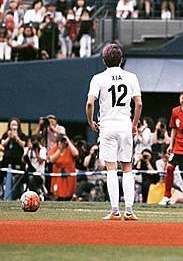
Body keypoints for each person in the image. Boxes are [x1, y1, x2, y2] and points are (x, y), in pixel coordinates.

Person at [86, 43, 142, 220]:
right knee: (127, 167)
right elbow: (139, 103)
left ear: (104, 61)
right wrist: (134, 124)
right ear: (121, 60)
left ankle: (115, 211)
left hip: (107, 126)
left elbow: (89, 103)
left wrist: (90, 122)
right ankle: (130, 211)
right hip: (125, 125)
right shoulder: (131, 77)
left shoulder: (98, 78)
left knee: (111, 168)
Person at [0, 117, 26, 199]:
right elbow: (3, 143)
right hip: (6, 160)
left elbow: (24, 145)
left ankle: (17, 196)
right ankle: (3, 194)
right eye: (12, 124)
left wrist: (17, 138)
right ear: (9, 126)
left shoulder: (22, 135)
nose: (14, 126)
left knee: (17, 179)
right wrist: (9, 137)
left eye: (15, 124)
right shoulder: (5, 134)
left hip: (18, 161)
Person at [47, 133, 79, 200]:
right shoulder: (54, 149)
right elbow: (52, 159)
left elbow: (76, 153)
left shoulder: (69, 148)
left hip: (69, 176)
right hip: (58, 177)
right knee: (58, 196)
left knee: (69, 196)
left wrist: (68, 141)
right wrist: (59, 149)